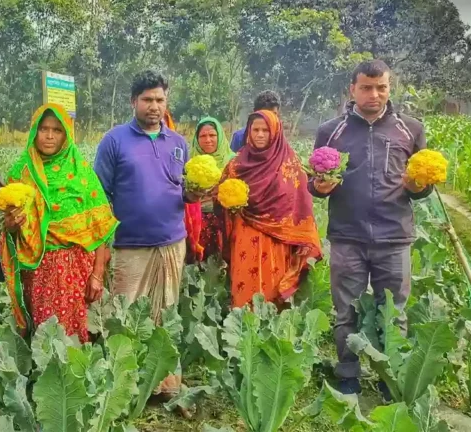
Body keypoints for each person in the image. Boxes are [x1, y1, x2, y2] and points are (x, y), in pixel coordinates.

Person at [309, 59, 433, 397]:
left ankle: (388, 372)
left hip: (394, 236)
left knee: (393, 310)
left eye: (381, 87)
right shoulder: (331, 130)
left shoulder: (410, 129)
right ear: (352, 89)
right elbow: (315, 182)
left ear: (390, 88)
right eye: (366, 87)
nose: (374, 94)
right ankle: (348, 369)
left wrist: (418, 185)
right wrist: (318, 186)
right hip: (347, 234)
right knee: (345, 308)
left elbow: (424, 187)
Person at [94, 70, 198, 412]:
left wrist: (195, 192)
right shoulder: (114, 141)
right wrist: (103, 246)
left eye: (160, 99)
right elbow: (99, 195)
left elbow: (184, 190)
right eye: (147, 100)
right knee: (125, 313)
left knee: (165, 312)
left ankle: (165, 384)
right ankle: (123, 385)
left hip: (171, 241)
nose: (154, 106)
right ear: (133, 102)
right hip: (130, 245)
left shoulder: (178, 144)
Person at [0, 104, 118, 343]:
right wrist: (12, 224)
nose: (50, 136)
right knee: (45, 336)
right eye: (43, 129)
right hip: (38, 271)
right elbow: (9, 229)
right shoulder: (22, 172)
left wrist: (97, 274)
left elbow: (100, 227)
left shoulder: (81, 171)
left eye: (57, 130)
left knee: (80, 334)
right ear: (34, 131)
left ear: (66, 134)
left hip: (77, 270)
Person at [220, 110, 322, 308]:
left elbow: (301, 205)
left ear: (275, 132)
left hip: (276, 240)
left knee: (272, 289)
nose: (259, 134)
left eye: (265, 130)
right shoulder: (237, 165)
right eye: (255, 129)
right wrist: (229, 204)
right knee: (243, 285)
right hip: (244, 236)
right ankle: (242, 331)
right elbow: (221, 194)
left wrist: (301, 238)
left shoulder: (290, 165)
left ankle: (271, 334)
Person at [188, 117, 234, 262]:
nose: (208, 140)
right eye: (202, 136)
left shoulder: (233, 162)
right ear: (196, 139)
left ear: (220, 136)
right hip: (195, 224)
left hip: (224, 224)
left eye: (212, 135)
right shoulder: (188, 163)